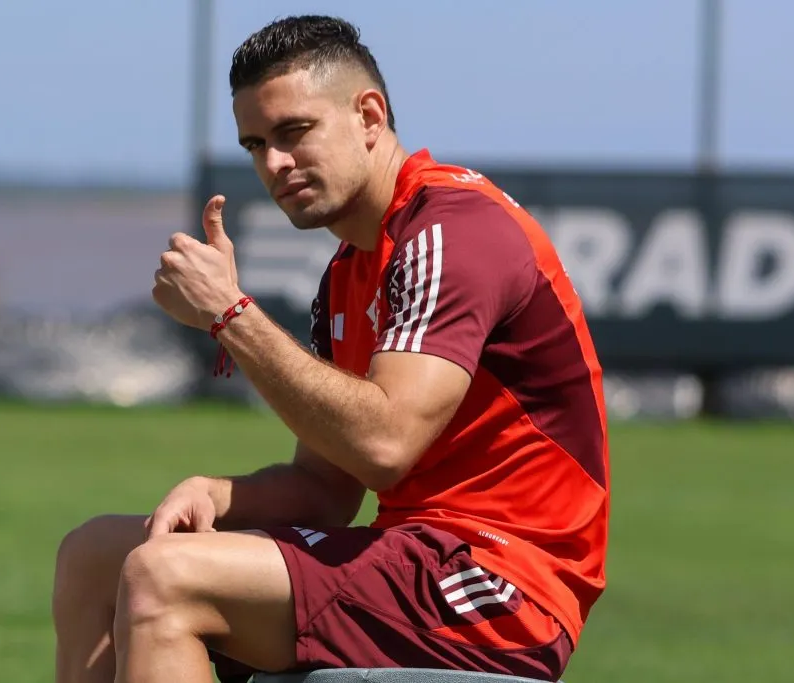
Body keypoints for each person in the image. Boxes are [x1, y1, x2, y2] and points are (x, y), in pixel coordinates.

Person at [52, 14, 609, 683]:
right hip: (413, 555)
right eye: (255, 145)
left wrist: (231, 313)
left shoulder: (452, 231)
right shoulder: (349, 269)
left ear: (368, 115)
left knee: (164, 577)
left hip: (501, 582)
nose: (274, 164)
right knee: (94, 555)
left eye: (293, 132)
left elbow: (385, 443)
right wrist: (219, 494)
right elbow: (325, 489)